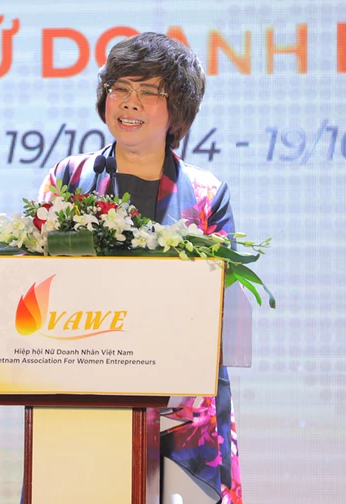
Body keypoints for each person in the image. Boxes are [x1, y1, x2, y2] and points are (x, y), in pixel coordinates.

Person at [37, 32, 242, 504]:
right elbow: (36, 275)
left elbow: (219, 305)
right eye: (120, 88)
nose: (130, 103)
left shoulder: (206, 194)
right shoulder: (70, 179)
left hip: (181, 413)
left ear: (177, 111)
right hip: (81, 397)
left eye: (149, 92)